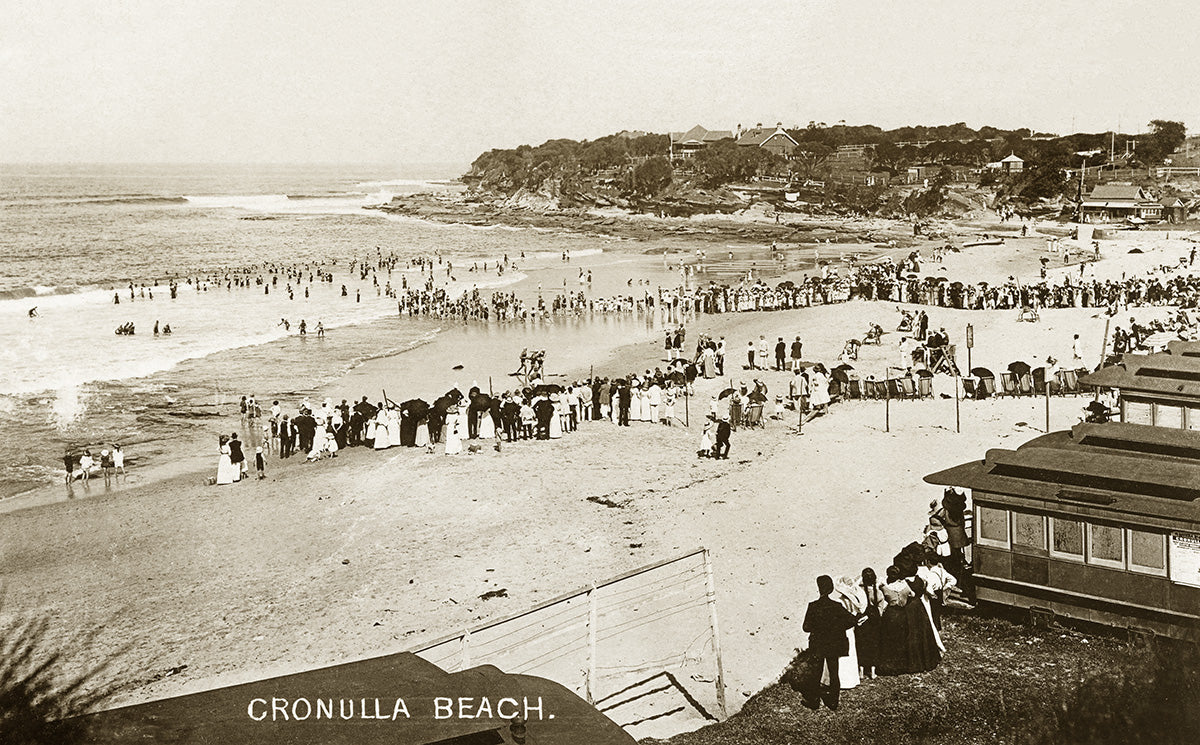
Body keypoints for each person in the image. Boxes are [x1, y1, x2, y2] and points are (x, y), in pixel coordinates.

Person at [801, 574, 856, 711]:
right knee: (834, 672)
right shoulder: (837, 606)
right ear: (831, 589)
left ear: (819, 589)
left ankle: (814, 702)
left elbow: (806, 628)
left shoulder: (813, 606)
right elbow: (851, 620)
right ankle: (833, 702)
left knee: (816, 672)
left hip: (818, 644)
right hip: (834, 643)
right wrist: (837, 628)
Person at [855, 568, 884, 680]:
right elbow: (880, 610)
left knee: (861, 645)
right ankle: (872, 672)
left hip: (862, 622)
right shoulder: (878, 593)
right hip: (874, 622)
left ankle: (861, 672)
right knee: (874, 646)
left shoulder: (859, 591)